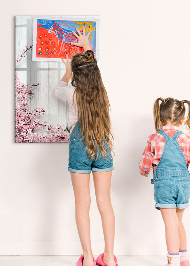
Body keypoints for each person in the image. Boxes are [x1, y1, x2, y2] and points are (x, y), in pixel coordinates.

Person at [54, 28, 117, 266]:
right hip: (102, 145)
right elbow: (93, 69)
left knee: (83, 203)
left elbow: (57, 89)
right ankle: (109, 257)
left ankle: (89, 258)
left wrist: (67, 71)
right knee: (105, 202)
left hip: (79, 148)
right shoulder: (102, 94)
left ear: (77, 76)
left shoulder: (72, 94)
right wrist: (87, 46)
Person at [139, 98, 190, 266]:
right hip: (183, 185)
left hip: (164, 186)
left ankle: (173, 261)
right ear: (182, 120)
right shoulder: (187, 139)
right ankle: (184, 260)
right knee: (178, 222)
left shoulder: (154, 138)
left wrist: (144, 171)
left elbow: (144, 164)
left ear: (160, 117)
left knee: (170, 224)